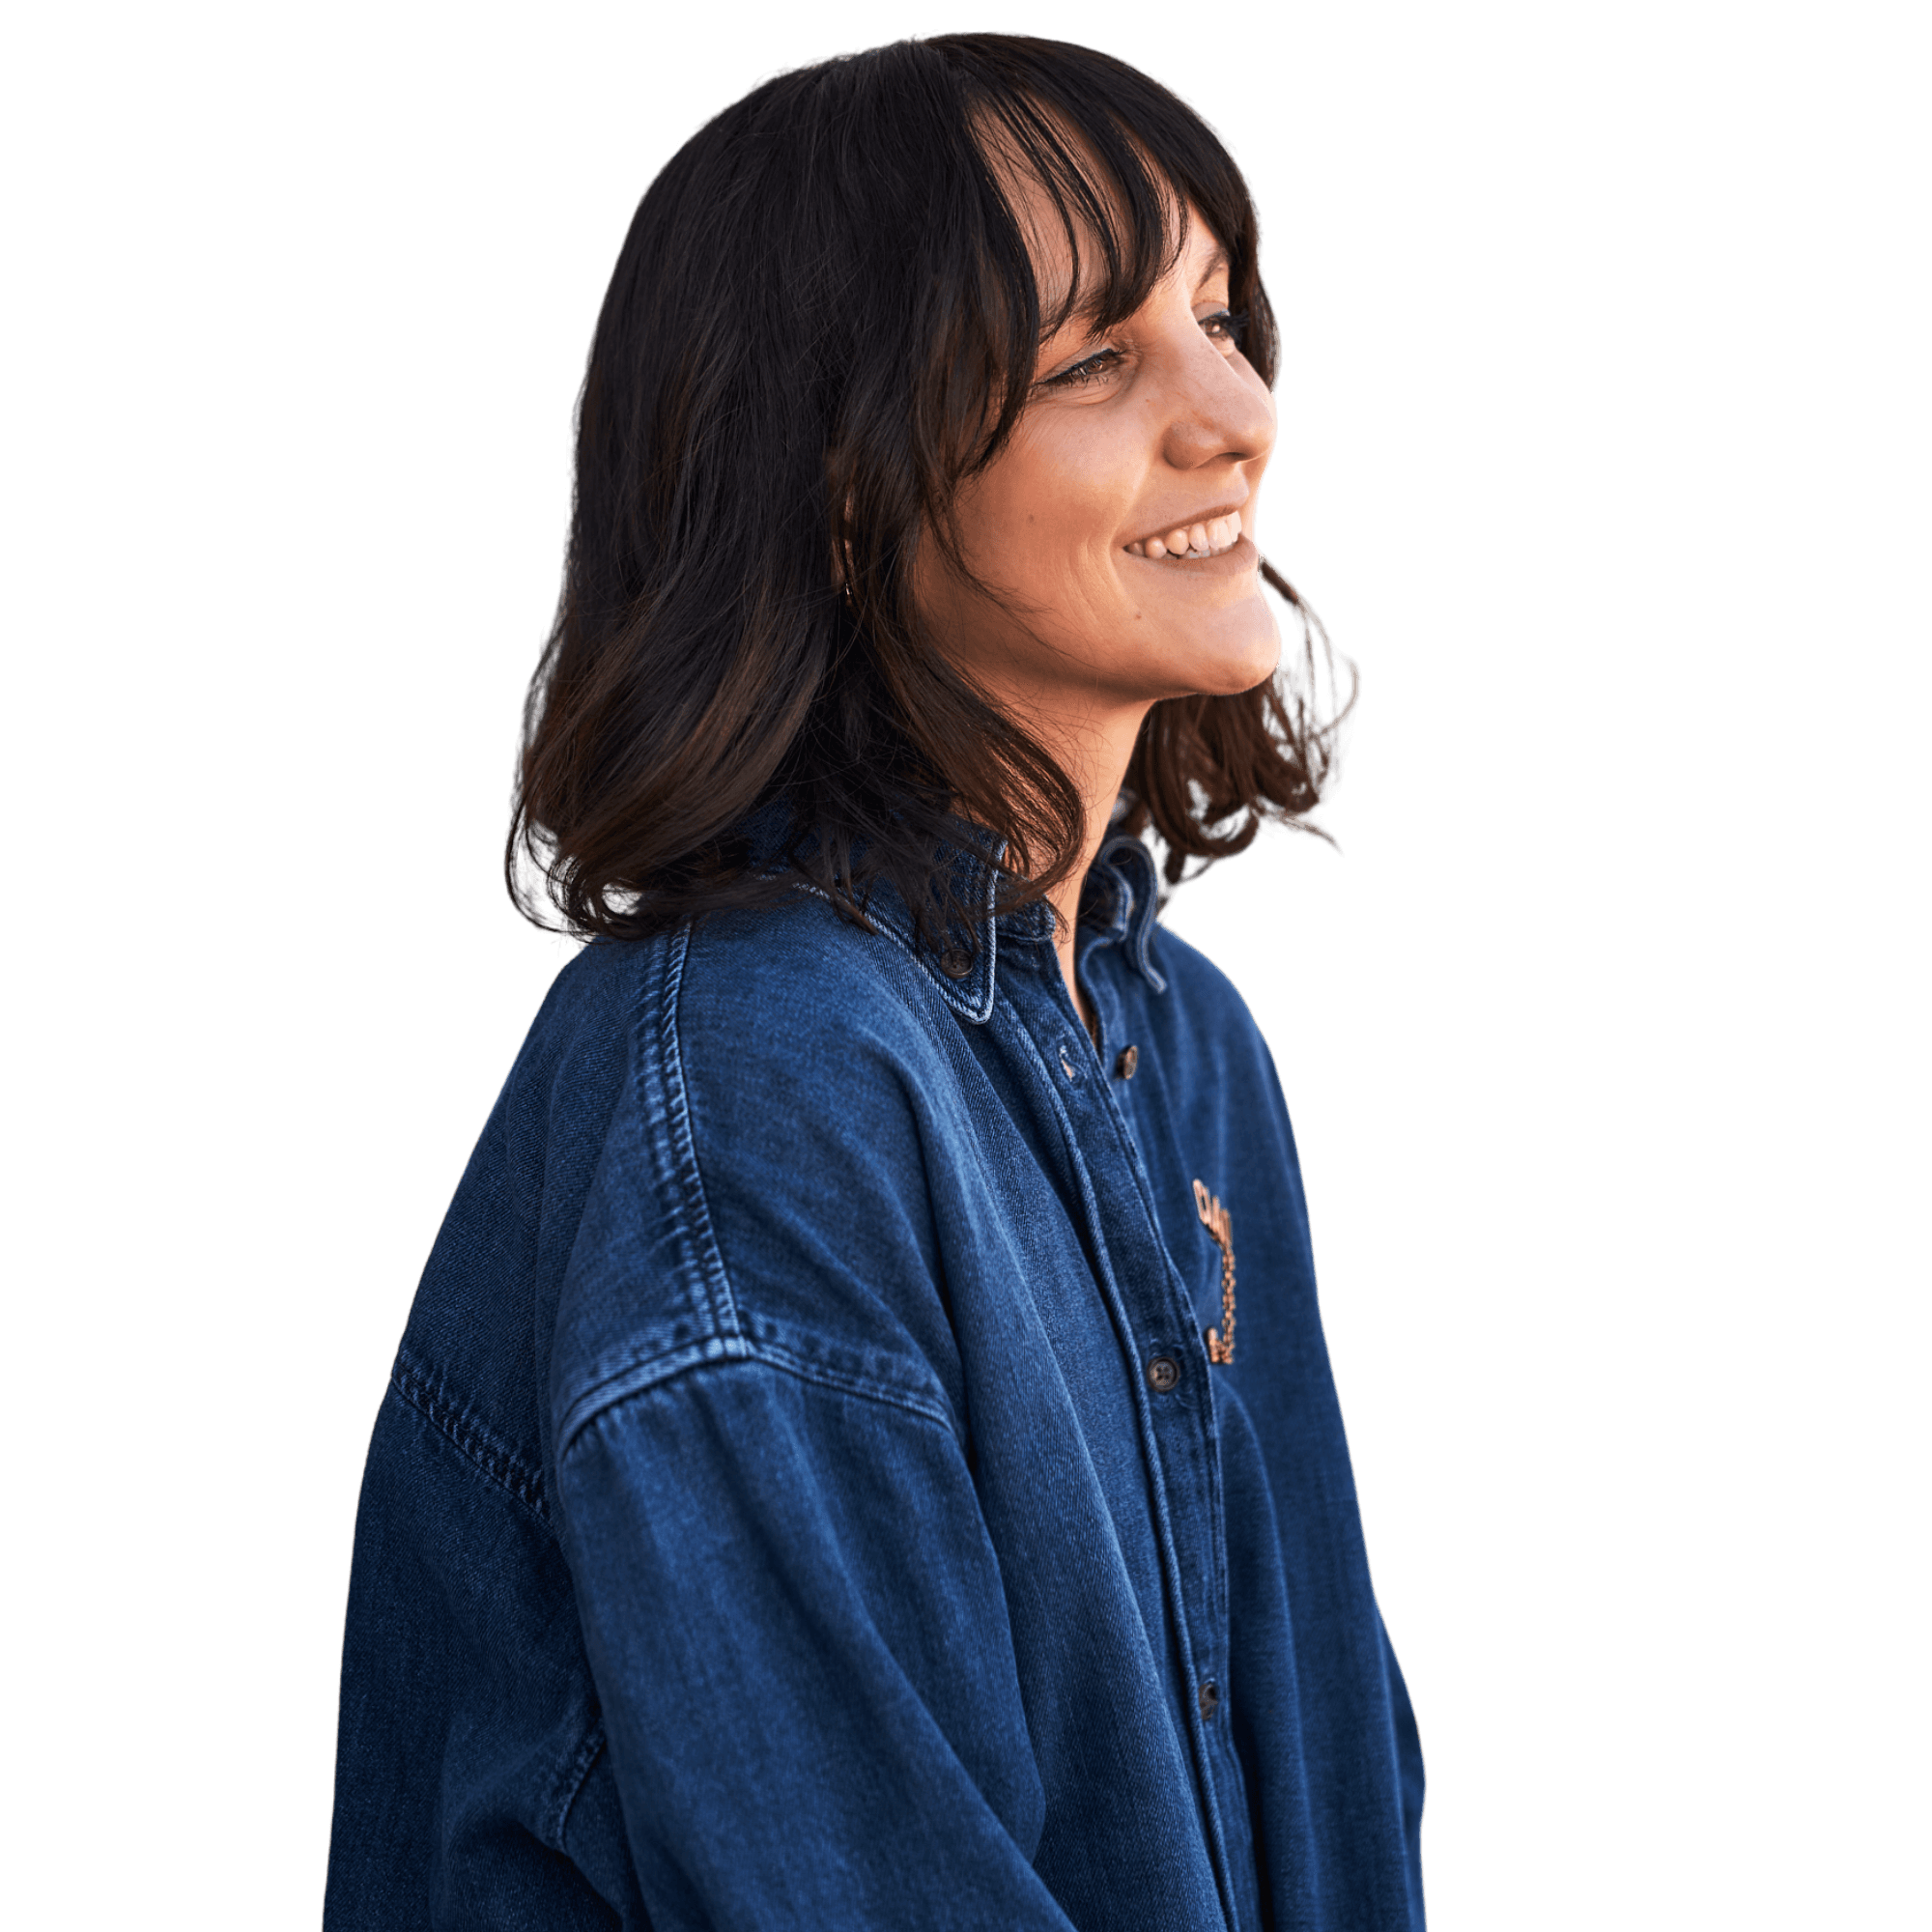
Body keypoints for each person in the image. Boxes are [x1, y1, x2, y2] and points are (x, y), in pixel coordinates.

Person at [324, 29, 1426, 1931]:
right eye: (1097, 358)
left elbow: (1337, 1806)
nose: (1233, 411)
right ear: (842, 483)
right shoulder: (762, 1076)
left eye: (1223, 317)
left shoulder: (1186, 1044)